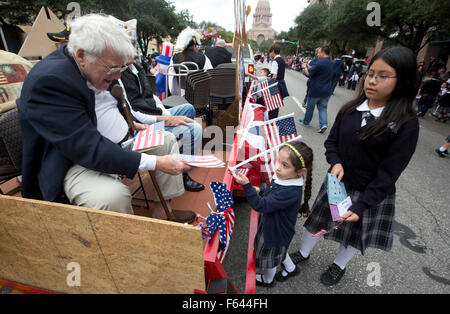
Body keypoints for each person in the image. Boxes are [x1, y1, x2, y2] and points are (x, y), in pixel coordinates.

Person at [17, 14, 195, 223]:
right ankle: (124, 247)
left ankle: (163, 213)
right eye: (113, 68)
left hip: (115, 146)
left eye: (121, 68)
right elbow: (87, 147)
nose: (118, 76)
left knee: (166, 140)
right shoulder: (50, 81)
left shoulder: (95, 65)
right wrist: (155, 162)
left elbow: (112, 111)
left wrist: (136, 126)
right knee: (112, 197)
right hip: (72, 163)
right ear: (82, 55)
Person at [289, 46, 420, 286]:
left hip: (369, 192)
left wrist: (362, 206)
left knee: (351, 234)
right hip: (337, 183)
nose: (372, 81)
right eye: (370, 73)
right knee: (317, 220)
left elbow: (389, 174)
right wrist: (336, 161)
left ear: (402, 81)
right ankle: (304, 252)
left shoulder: (406, 124)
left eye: (383, 76)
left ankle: (339, 265)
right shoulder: (350, 109)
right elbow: (331, 143)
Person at [232, 141, 314, 287]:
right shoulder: (287, 178)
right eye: (278, 161)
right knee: (280, 251)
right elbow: (271, 192)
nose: (277, 167)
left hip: (275, 232)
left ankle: (268, 280)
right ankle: (291, 268)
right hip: (279, 228)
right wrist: (261, 191)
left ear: (300, 172)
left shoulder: (289, 191)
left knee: (270, 257)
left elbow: (261, 205)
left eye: (285, 165)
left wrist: (247, 186)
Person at [119, 58, 205, 192]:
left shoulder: (137, 67)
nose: (132, 48)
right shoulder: (118, 75)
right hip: (144, 124)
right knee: (195, 129)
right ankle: (183, 172)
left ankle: (183, 155)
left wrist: (167, 115)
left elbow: (152, 96)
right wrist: (164, 119)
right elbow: (134, 116)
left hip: (156, 114)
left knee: (189, 108)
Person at [169, 27, 213, 96]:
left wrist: (176, 95)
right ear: (194, 45)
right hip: (199, 97)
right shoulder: (203, 58)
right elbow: (210, 77)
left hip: (180, 97)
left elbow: (172, 84)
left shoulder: (174, 58)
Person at [301, 46, 335, 133]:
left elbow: (309, 73)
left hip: (316, 89)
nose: (317, 54)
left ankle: (306, 122)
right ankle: (323, 124)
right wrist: (309, 66)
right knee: (323, 108)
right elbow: (315, 70)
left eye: (319, 52)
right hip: (327, 90)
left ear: (323, 52)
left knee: (310, 107)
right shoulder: (331, 62)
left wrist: (305, 67)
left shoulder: (320, 62)